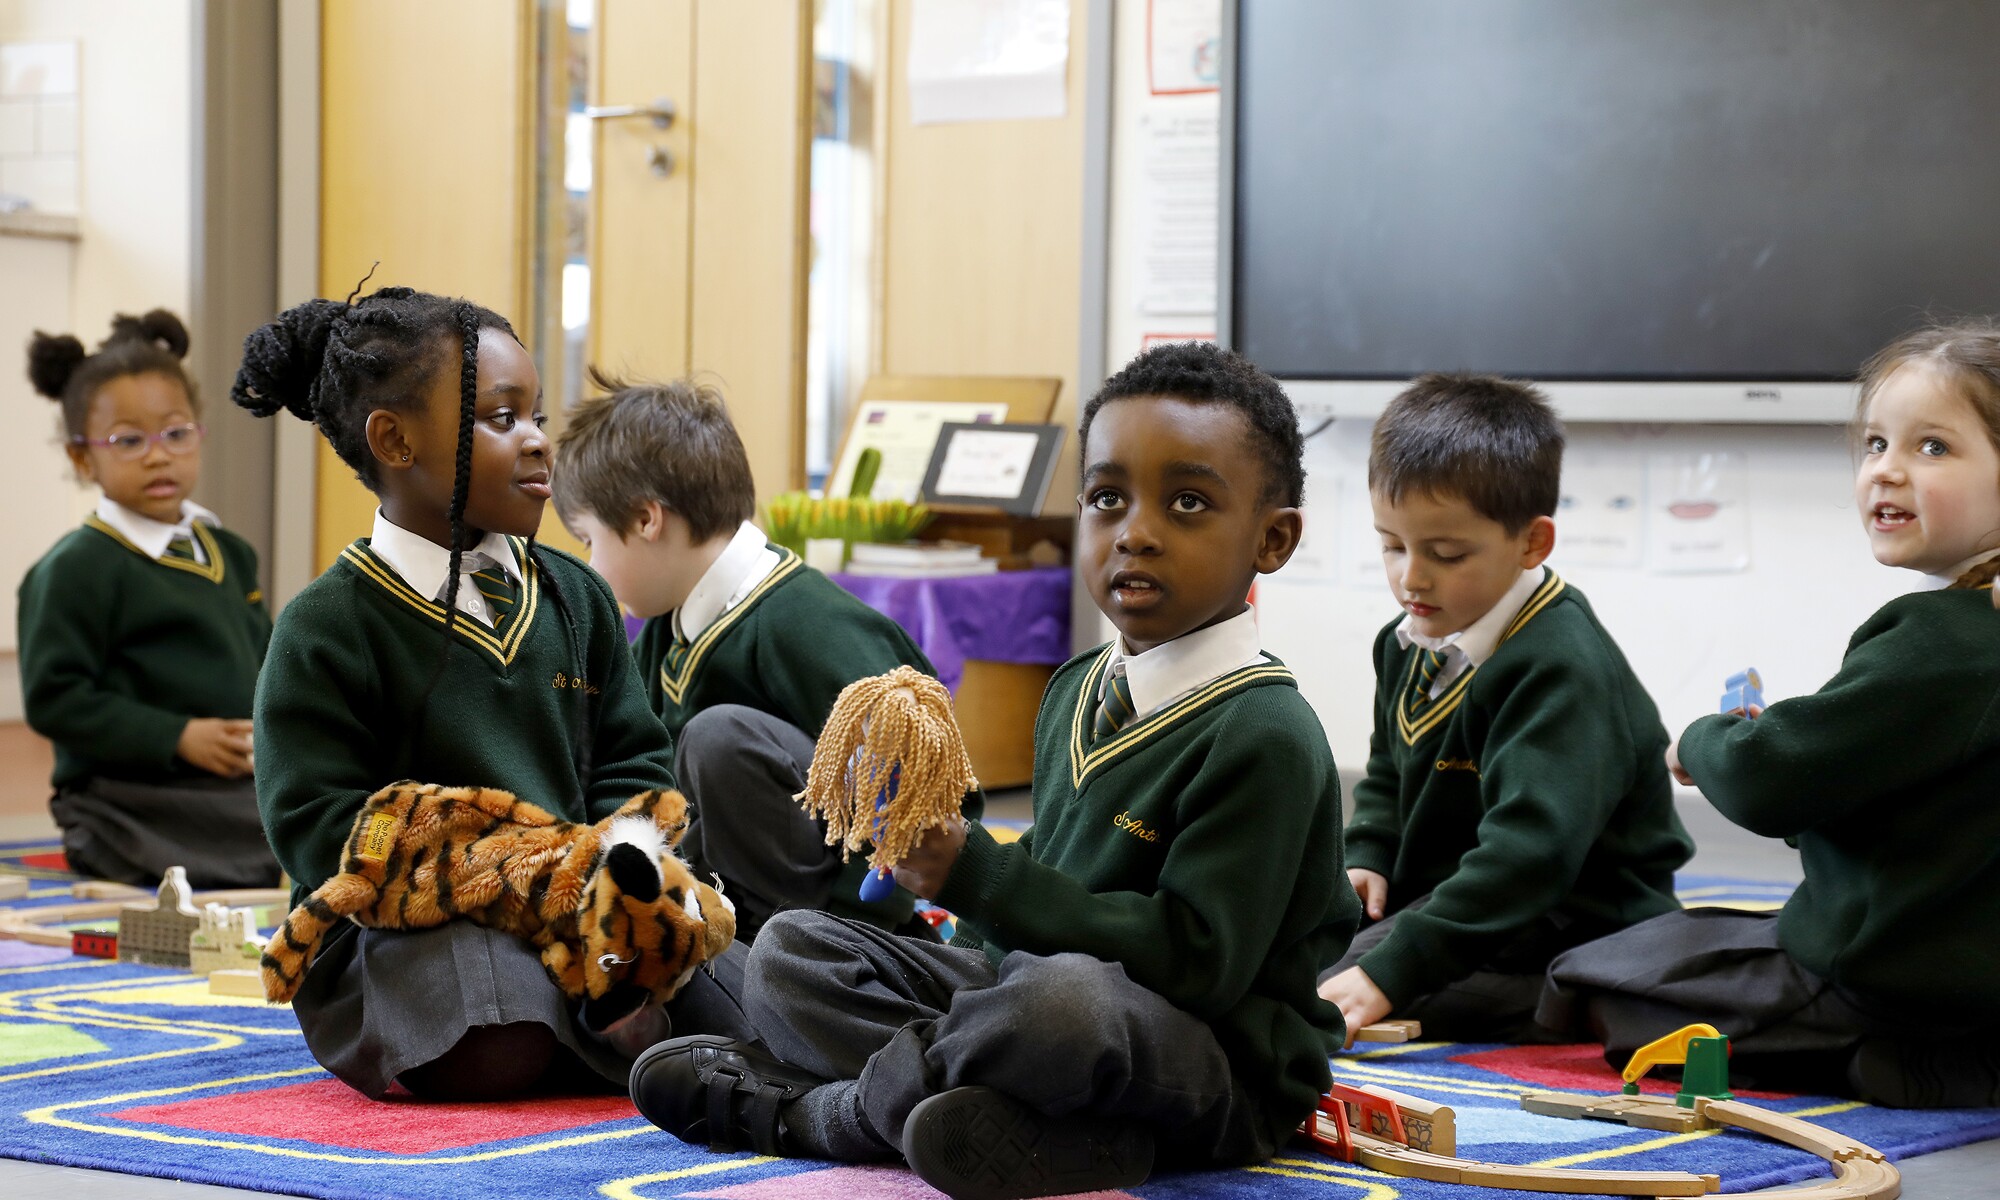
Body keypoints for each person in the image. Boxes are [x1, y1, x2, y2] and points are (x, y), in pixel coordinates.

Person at [628, 341, 1357, 1200]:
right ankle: (1047, 1125)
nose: (1135, 533)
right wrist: (962, 951)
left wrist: (975, 873)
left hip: (1213, 1062)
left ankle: (824, 1115)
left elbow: (1196, 966)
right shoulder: (1078, 687)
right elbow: (1047, 876)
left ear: (1272, 539)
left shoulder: (1266, 733)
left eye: (1188, 503)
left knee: (1063, 1006)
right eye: (1107, 498)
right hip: (1037, 999)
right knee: (793, 951)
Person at [235, 288, 743, 1101]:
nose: (539, 440)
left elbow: (633, 760)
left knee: (749, 993)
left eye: (535, 416)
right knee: (493, 1035)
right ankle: (608, 1034)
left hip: (587, 905)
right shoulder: (325, 625)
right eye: (503, 418)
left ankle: (614, 1019)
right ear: (395, 440)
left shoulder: (578, 597)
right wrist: (498, 874)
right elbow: (317, 824)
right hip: (415, 924)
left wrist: (614, 873)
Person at [1541, 322, 2000, 1107]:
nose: (1886, 470)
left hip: (1884, 984)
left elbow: (1767, 781)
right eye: (1876, 443)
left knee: (1581, 978)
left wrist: (1704, 740)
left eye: (1933, 447)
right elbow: (1880, 786)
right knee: (1690, 937)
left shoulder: (1941, 638)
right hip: (1955, 966)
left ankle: (1905, 1059)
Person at [1321, 374, 1692, 1044]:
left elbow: (1528, 859)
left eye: (1446, 554)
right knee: (1285, 939)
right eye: (1392, 545)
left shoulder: (1559, 665)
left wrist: (1389, 972)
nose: (1411, 577)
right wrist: (1367, 853)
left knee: (1319, 988)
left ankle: (1590, 1001)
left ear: (1532, 544)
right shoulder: (1407, 641)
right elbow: (1387, 773)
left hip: (1570, 924)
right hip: (1460, 903)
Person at [552, 371, 952, 943]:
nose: (590, 565)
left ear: (645, 519)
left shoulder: (805, 620)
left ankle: (795, 949)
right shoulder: (670, 620)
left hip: (844, 928)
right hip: (735, 894)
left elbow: (927, 776)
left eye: (590, 540)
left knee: (717, 738)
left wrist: (864, 920)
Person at [18, 310, 278, 888]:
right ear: (82, 459)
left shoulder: (231, 552)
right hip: (128, 793)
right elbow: (55, 699)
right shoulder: (76, 567)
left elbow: (267, 663)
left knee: (319, 816)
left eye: (175, 433)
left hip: (232, 784)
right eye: (128, 441)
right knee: (243, 848)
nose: (158, 456)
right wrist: (177, 736)